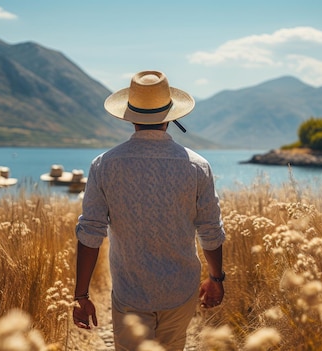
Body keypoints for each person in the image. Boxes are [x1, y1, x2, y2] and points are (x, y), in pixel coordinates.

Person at [72, 70, 226, 351]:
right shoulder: (197, 166)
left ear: (130, 116)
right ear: (170, 115)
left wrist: (81, 295)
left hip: (131, 291)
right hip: (181, 289)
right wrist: (216, 278)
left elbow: (90, 232)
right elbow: (210, 229)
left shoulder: (104, 165)